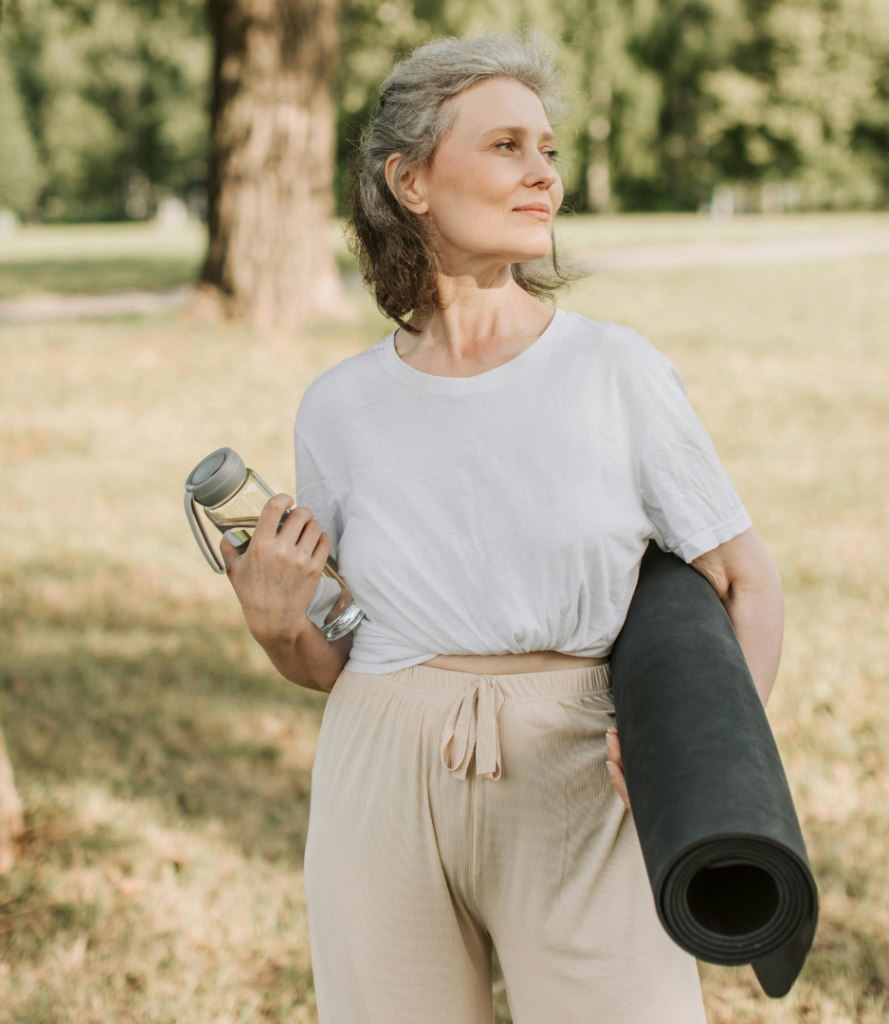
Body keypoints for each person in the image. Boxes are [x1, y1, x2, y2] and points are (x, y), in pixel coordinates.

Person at [221, 32, 784, 1024]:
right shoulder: (340, 406)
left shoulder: (616, 372)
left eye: (549, 150)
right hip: (379, 767)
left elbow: (742, 578)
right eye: (507, 146)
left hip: (582, 767)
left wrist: (702, 762)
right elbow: (339, 652)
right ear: (411, 181)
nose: (542, 175)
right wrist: (277, 627)